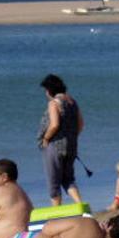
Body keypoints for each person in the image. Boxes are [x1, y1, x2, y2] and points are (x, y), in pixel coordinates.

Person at [37, 74, 84, 207]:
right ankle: (80, 206)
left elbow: (54, 124)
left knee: (53, 181)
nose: (46, 93)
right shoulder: (72, 102)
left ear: (50, 90)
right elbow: (81, 124)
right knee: (68, 178)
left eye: (46, 90)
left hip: (55, 146)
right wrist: (72, 137)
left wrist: (46, 138)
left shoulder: (54, 103)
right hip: (71, 146)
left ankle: (56, 210)